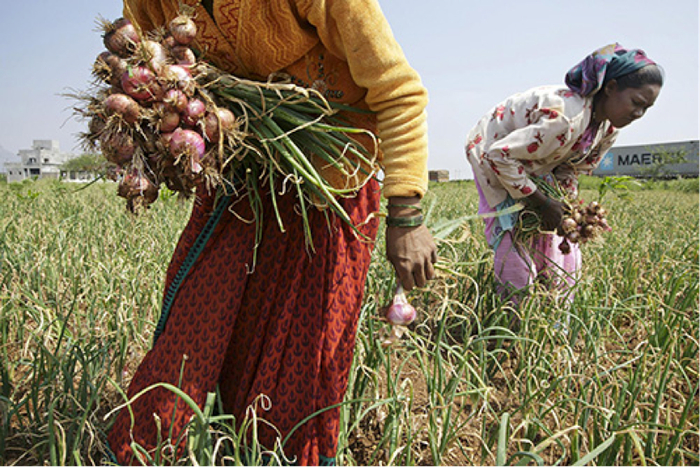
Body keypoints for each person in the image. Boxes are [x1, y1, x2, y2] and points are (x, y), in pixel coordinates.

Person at [107, 0, 437, 465]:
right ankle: (158, 450)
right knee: (196, 319)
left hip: (330, 180)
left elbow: (398, 90)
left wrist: (406, 212)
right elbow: (149, 65)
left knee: (301, 353)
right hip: (240, 171)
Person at [464, 43, 662, 311]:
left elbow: (572, 168)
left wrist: (568, 208)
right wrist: (543, 202)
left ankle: (549, 310)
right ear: (611, 87)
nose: (638, 114)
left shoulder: (607, 129)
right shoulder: (566, 118)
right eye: (636, 103)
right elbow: (498, 156)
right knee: (514, 240)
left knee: (556, 247)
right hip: (492, 152)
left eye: (646, 108)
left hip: (534, 162)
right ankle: (513, 316)